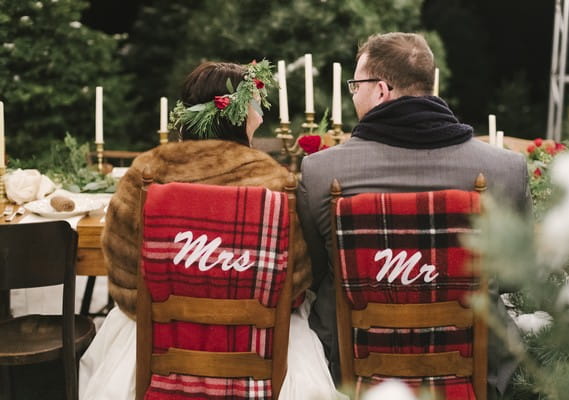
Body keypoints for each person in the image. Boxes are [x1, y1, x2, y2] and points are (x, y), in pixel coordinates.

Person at [80, 60, 344, 400]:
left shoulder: (145, 172)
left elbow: (123, 271)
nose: (261, 117)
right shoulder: (276, 182)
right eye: (255, 107)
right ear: (238, 115)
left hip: (157, 335)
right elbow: (293, 285)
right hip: (255, 341)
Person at [297, 32, 531, 398]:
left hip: (352, 370)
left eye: (355, 85)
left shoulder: (321, 172)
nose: (352, 94)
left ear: (381, 90)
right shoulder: (506, 170)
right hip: (478, 372)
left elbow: (316, 273)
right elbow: (517, 278)